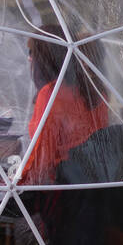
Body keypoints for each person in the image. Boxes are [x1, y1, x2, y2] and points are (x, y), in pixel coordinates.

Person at [20, 27, 108, 185]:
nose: (29, 59)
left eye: (31, 52)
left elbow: (43, 153)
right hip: (94, 179)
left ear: (44, 57)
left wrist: (18, 179)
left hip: (63, 185)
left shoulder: (51, 94)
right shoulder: (96, 90)